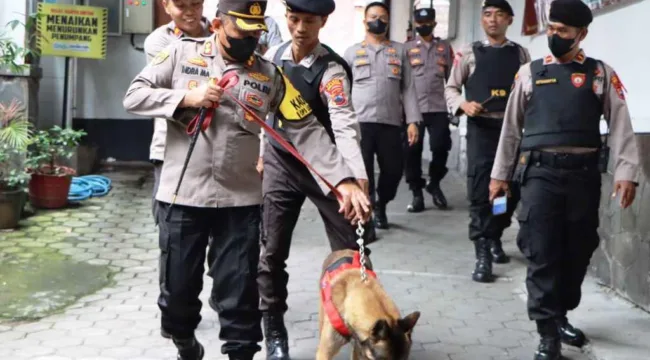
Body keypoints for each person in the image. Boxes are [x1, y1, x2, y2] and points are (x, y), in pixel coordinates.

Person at [122, 0, 371, 359]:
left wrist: (343, 179)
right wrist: (185, 97)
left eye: (256, 31)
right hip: (183, 196)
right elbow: (134, 95)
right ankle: (185, 342)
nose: (250, 39)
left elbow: (307, 130)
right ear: (220, 24)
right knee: (177, 300)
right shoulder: (180, 53)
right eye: (242, 31)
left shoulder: (270, 75)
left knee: (240, 299)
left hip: (240, 202)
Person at [489, 0, 639, 358]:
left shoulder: (600, 74)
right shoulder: (529, 73)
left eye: (562, 31)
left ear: (581, 33)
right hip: (539, 174)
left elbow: (621, 125)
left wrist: (626, 172)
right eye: (551, 29)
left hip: (583, 177)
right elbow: (510, 130)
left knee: (578, 250)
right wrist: (499, 176)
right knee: (541, 251)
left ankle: (560, 313)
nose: (554, 35)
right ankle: (547, 333)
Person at [253, 1, 371, 358]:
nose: (300, 28)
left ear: (323, 21)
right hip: (280, 161)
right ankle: (273, 326)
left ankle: (364, 325)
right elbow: (265, 107)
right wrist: (262, 152)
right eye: (293, 19)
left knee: (353, 249)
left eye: (308, 21)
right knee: (271, 252)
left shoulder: (330, 69)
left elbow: (344, 124)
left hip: (325, 168)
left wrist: (354, 176)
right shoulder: (273, 55)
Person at [444, 0, 530, 283]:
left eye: (499, 15)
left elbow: (529, 91)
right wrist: (463, 105)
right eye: (488, 15)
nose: (492, 20)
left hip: (512, 131)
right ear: (482, 20)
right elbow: (451, 88)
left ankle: (495, 232)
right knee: (482, 192)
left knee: (509, 192)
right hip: (482, 130)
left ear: (509, 19)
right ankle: (482, 252)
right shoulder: (468, 53)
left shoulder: (520, 54)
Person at [344, 1, 421, 229]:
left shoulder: (400, 51)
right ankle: (367, 219)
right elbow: (343, 91)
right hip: (360, 123)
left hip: (390, 123)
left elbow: (408, 88)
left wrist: (413, 122)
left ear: (388, 22)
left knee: (394, 170)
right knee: (363, 173)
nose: (378, 20)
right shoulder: (351, 53)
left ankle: (382, 203)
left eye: (383, 17)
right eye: (373, 16)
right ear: (365, 20)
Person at [145, 0, 211, 224]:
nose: (190, 12)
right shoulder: (159, 41)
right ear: (166, 6)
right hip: (171, 145)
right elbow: (171, 86)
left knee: (215, 222)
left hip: (216, 147)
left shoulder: (220, 32)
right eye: (181, 6)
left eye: (196, 4)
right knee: (170, 222)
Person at [403, 6, 454, 212]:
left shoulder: (444, 47)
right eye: (420, 23)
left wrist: (454, 106)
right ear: (415, 24)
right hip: (413, 109)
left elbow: (452, 80)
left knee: (441, 146)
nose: (423, 26)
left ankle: (434, 183)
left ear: (434, 23)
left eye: (427, 23)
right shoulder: (406, 48)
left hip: (439, 107)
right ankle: (416, 193)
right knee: (412, 152)